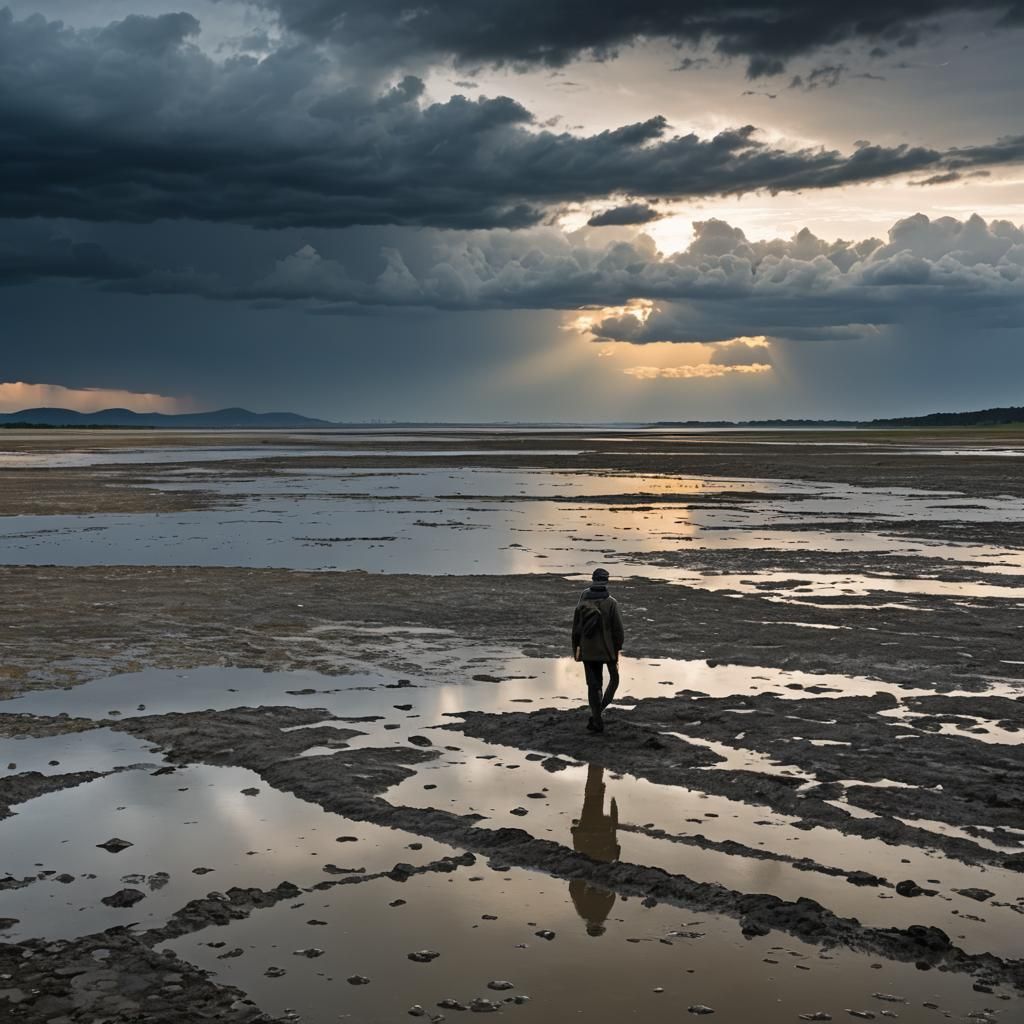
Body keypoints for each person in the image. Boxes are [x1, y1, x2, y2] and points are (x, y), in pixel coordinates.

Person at [569, 763, 620, 936]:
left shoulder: (592, 910)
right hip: (589, 842)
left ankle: (597, 772)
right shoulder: (586, 911)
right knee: (591, 803)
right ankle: (597, 771)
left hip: (601, 845)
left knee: (591, 802)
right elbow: (574, 888)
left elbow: (612, 891)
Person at [571, 567, 624, 733]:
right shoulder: (611, 603)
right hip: (607, 651)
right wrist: (617, 651)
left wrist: (577, 650)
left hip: (588, 650)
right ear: (606, 581)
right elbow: (618, 631)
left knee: (593, 685)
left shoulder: (583, 599)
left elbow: (576, 629)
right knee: (614, 680)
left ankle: (596, 718)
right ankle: (597, 715)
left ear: (593, 579)